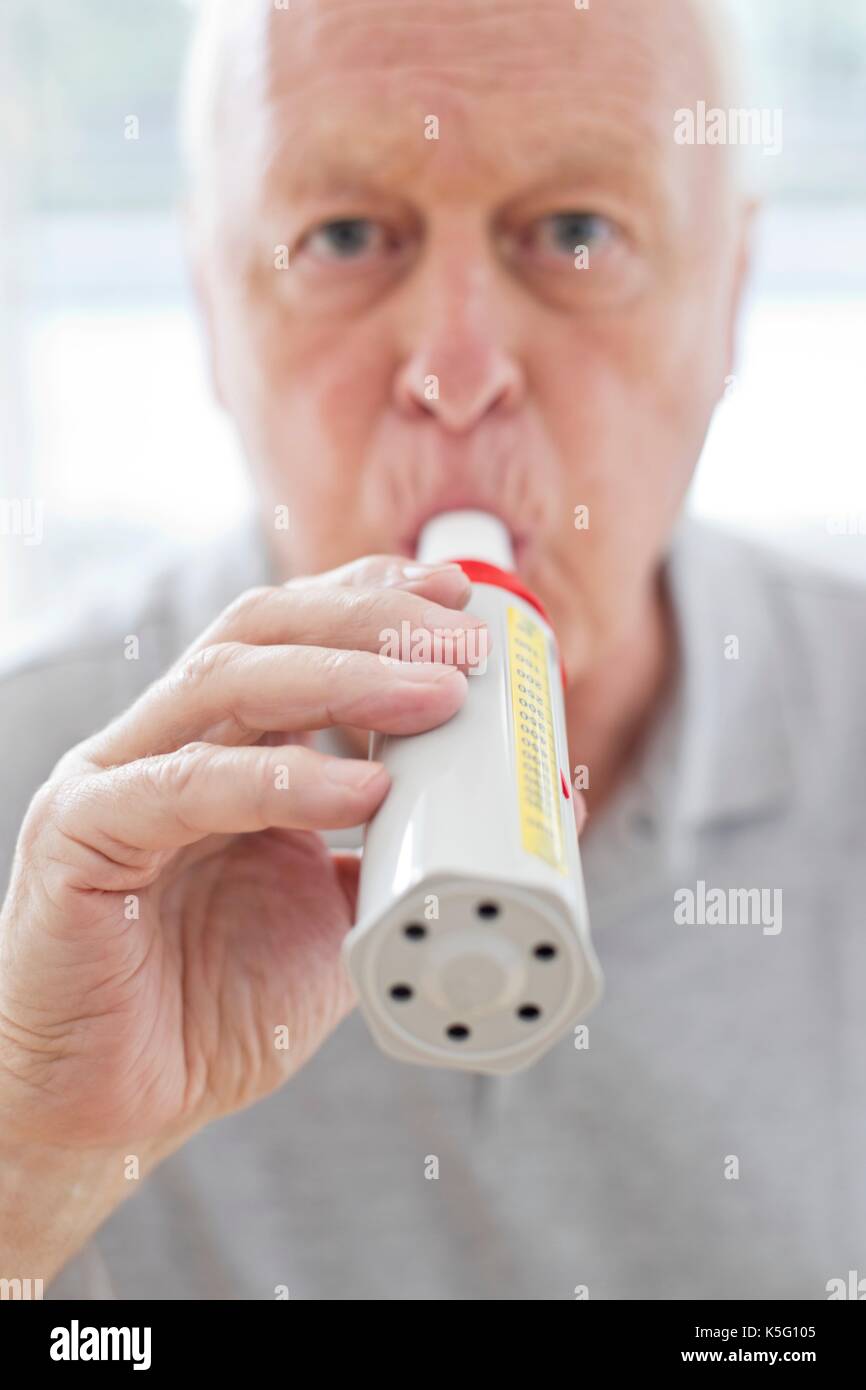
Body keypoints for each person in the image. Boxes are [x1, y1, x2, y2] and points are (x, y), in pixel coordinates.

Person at [2, 0, 864, 1301]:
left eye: (576, 233)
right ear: (207, 303)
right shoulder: (42, 815)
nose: (456, 373)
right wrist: (32, 1170)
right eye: (343, 236)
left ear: (728, 293)